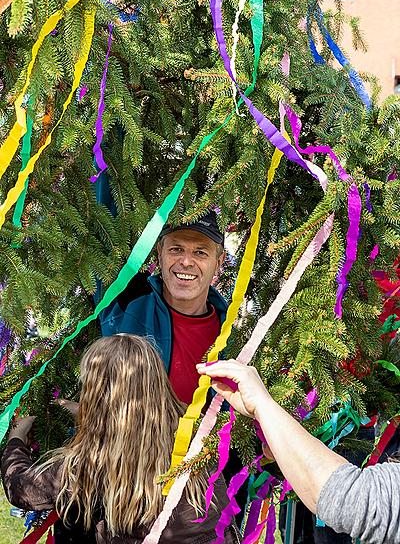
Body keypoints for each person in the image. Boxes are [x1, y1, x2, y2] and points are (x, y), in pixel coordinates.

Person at [1, 335, 241, 543]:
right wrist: (79, 410)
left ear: (97, 395)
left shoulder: (93, 462)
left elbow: (22, 489)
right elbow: (131, 415)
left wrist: (16, 438)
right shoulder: (193, 430)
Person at [197, 360, 400, 544]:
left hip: (349, 429)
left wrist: (262, 405)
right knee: (295, 526)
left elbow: (354, 500)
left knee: (329, 534)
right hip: (298, 420)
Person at [99, 211, 226, 405]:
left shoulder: (230, 333)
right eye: (176, 249)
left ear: (219, 261)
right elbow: (101, 218)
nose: (186, 262)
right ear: (160, 252)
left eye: (200, 252)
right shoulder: (126, 301)